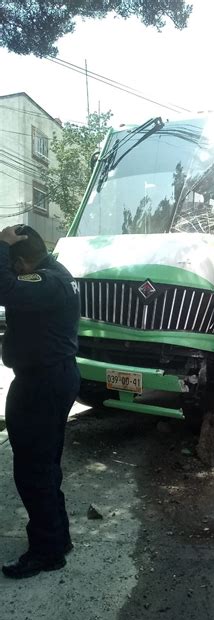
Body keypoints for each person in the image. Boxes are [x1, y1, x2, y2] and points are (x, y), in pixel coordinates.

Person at [0, 225, 80, 579]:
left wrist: (2, 245)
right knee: (45, 466)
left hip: (42, 383)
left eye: (11, 262)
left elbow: (4, 289)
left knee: (33, 470)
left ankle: (47, 551)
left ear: (20, 261)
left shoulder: (46, 280)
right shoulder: (54, 274)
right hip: (50, 378)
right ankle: (57, 537)